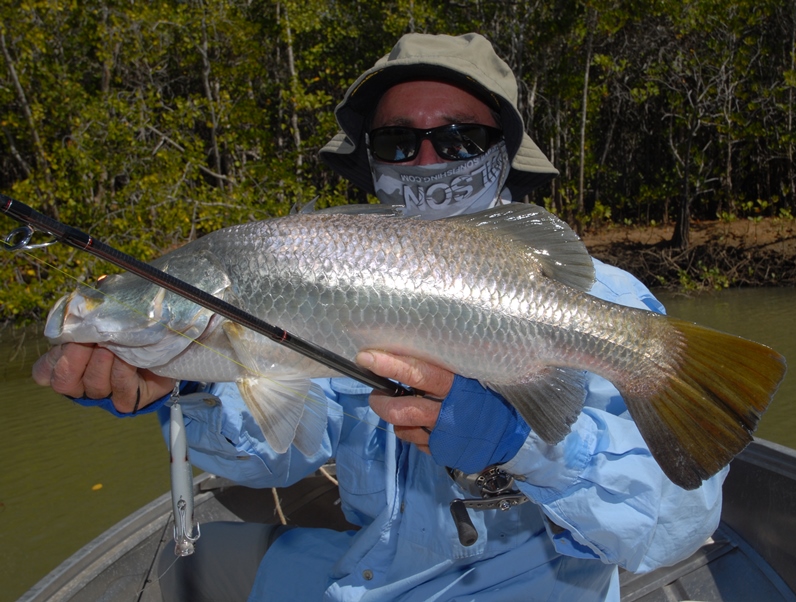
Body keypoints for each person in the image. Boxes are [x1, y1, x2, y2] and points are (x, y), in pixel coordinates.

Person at [32, 33, 726, 601]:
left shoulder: (610, 304)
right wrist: (189, 382)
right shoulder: (332, 271)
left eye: (457, 139)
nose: (426, 159)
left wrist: (521, 446)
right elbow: (280, 454)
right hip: (369, 578)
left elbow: (672, 532)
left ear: (502, 152)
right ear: (370, 162)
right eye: (397, 142)